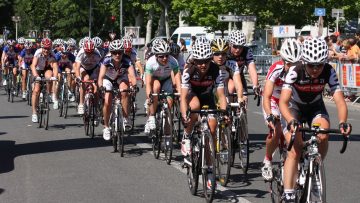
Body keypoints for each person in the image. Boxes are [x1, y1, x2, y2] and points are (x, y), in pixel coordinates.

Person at [279, 38, 352, 202]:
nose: (315, 69)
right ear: (304, 62)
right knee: (295, 149)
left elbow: (340, 100)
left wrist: (343, 122)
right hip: (294, 108)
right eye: (311, 65)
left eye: (319, 65)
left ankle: (316, 167)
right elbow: (283, 102)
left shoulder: (329, 71)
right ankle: (289, 192)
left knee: (323, 134)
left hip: (315, 107)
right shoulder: (295, 70)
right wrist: (290, 119)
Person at [180, 41, 227, 189]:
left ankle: (210, 169)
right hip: (192, 95)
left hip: (207, 96)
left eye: (206, 61)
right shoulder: (188, 71)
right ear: (195, 60)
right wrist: (184, 115)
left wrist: (224, 112)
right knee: (195, 107)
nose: (203, 65)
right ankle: (187, 136)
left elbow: (220, 94)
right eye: (200, 62)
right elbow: (183, 97)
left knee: (212, 129)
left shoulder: (215, 70)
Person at [260, 38, 302, 181]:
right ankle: (267, 160)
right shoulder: (276, 68)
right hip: (273, 100)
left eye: (295, 64)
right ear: (283, 60)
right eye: (289, 63)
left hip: (289, 101)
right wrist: (270, 115)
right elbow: (266, 95)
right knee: (276, 130)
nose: (291, 68)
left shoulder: (301, 70)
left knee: (299, 130)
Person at [98, 39, 137, 140]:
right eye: (114, 53)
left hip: (121, 78)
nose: (117, 55)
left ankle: (125, 118)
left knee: (125, 91)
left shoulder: (127, 60)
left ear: (122, 52)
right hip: (108, 79)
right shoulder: (106, 60)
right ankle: (106, 127)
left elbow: (132, 76)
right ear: (111, 53)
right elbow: (101, 77)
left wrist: (134, 86)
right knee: (107, 101)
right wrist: (101, 87)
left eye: (119, 52)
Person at [144, 39, 181, 135]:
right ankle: (151, 116)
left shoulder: (173, 61)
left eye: (167, 55)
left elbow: (177, 78)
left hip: (167, 79)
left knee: (169, 104)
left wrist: (179, 92)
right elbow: (148, 83)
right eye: (161, 56)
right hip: (154, 78)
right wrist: (149, 96)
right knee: (156, 87)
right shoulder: (150, 62)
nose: (165, 58)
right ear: (156, 56)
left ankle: (167, 133)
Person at [30, 38, 59, 122]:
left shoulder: (52, 54)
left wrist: (55, 77)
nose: (46, 50)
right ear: (42, 47)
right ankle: (34, 112)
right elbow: (33, 65)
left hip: (47, 69)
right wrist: (36, 76)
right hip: (38, 70)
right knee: (36, 90)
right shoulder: (38, 52)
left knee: (49, 76)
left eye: (48, 48)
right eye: (45, 48)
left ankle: (48, 93)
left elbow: (55, 66)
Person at [227, 30, 261, 99]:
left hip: (239, 76)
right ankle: (229, 109)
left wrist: (255, 85)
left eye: (240, 47)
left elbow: (251, 68)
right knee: (231, 88)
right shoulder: (226, 51)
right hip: (227, 77)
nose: (238, 50)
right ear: (230, 44)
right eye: (235, 46)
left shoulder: (246, 51)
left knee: (244, 99)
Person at [210, 37, 244, 103]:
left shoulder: (232, 63)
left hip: (225, 87)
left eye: (223, 54)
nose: (220, 56)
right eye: (217, 54)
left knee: (232, 86)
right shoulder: (207, 63)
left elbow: (238, 82)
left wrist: (240, 97)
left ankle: (230, 110)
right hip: (210, 87)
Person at [74, 39, 102, 115]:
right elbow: (77, 67)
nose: (89, 54)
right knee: (85, 81)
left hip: (94, 68)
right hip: (84, 68)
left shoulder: (96, 53)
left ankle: (96, 108)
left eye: (91, 52)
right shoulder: (81, 52)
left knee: (96, 87)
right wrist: (78, 77)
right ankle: (81, 104)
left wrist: (100, 79)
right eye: (87, 52)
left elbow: (101, 67)